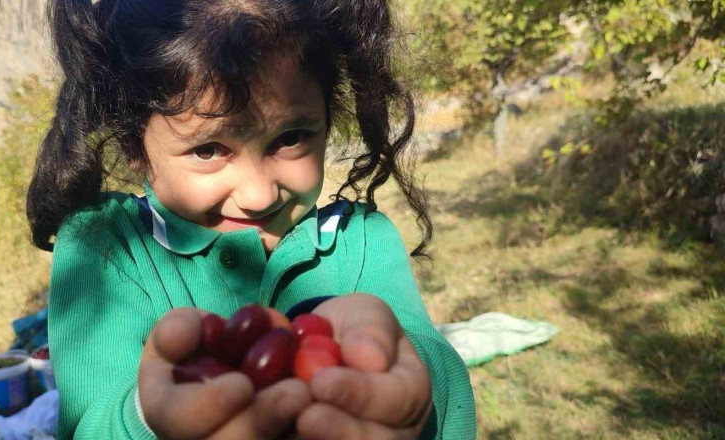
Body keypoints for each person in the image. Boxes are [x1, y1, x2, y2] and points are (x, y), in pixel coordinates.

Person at [26, 0, 476, 438]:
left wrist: (408, 383)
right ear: (134, 147)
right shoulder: (104, 248)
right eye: (207, 150)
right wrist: (148, 419)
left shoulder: (361, 242)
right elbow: (89, 423)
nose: (259, 196)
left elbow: (437, 378)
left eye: (292, 138)